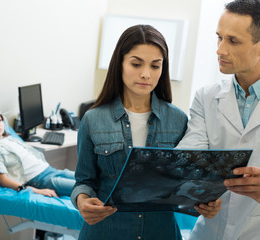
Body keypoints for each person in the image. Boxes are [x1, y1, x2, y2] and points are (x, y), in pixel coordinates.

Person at [177, 0, 260, 239]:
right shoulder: (206, 97)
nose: (220, 49)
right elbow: (190, 159)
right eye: (219, 37)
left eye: (233, 41)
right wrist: (196, 195)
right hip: (208, 233)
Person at [71, 24, 222, 240]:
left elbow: (186, 183)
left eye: (155, 66)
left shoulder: (179, 120)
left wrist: (205, 201)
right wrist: (83, 201)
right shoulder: (93, 119)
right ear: (120, 64)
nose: (146, 74)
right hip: (105, 232)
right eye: (136, 64)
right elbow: (84, 181)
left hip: (161, 233)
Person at [0, 106, 75, 197]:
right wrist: (36, 191)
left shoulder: (8, 138)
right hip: (40, 181)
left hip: (51, 170)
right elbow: (2, 179)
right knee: (87, 190)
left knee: (89, 179)